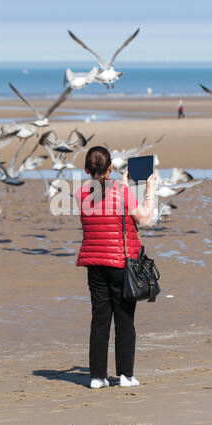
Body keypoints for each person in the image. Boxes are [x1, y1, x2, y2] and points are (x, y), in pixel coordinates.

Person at [75, 146, 157, 389]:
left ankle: (97, 377)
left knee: (99, 320)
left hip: (94, 264)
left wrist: (122, 186)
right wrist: (150, 190)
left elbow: (103, 199)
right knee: (124, 319)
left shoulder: (81, 193)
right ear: (110, 167)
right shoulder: (122, 191)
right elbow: (145, 218)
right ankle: (126, 375)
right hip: (122, 263)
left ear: (86, 169)